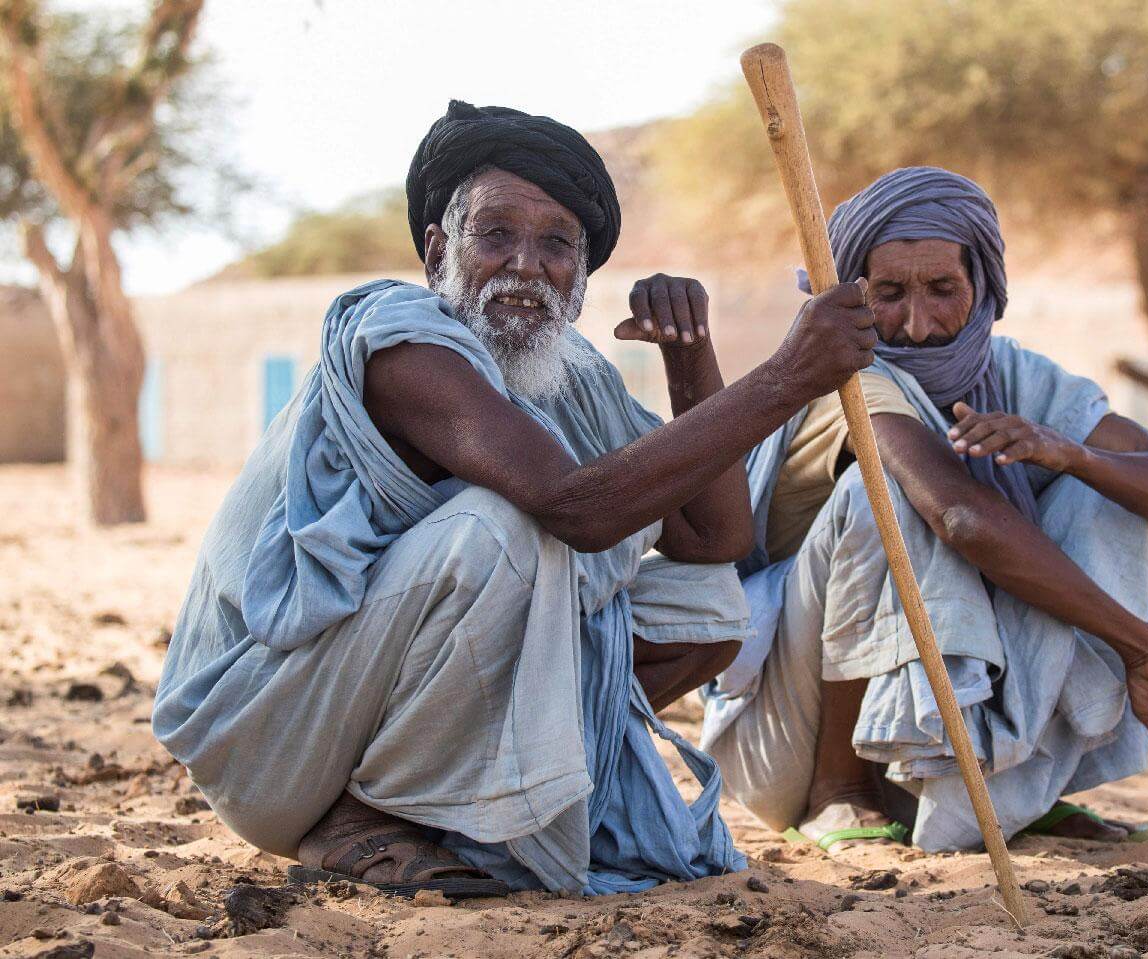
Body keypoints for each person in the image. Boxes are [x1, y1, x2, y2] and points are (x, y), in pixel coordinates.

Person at [152, 101, 879, 896]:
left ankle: (464, 791)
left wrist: (688, 356)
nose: (527, 265)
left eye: (556, 243)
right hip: (269, 744)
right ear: (437, 249)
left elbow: (714, 540)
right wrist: (784, 379)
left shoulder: (568, 372)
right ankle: (361, 816)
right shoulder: (400, 341)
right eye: (495, 234)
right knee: (501, 525)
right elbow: (572, 505)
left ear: (581, 273)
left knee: (707, 605)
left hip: (348, 713)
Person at [701, 167, 1148, 854]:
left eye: (942, 289)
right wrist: (1142, 648)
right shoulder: (849, 378)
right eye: (888, 293)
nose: (917, 323)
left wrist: (1073, 455)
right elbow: (959, 516)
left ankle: (1023, 789)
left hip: (943, 740)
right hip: (785, 732)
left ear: (983, 288)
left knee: (1105, 495)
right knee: (880, 495)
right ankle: (839, 789)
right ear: (852, 296)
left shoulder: (1018, 376)